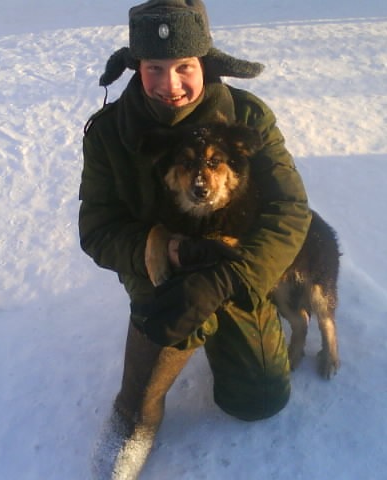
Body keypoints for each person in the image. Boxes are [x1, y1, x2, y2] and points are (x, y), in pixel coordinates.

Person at [79, 1, 311, 478]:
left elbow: (290, 208)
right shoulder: (109, 133)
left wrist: (230, 276)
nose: (171, 85)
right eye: (154, 68)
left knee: (258, 400)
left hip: (237, 261)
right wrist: (157, 247)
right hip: (161, 268)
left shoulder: (247, 116)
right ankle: (133, 414)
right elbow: (97, 228)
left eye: (184, 66)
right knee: (170, 311)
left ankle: (234, 318)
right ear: (136, 67)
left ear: (204, 61)